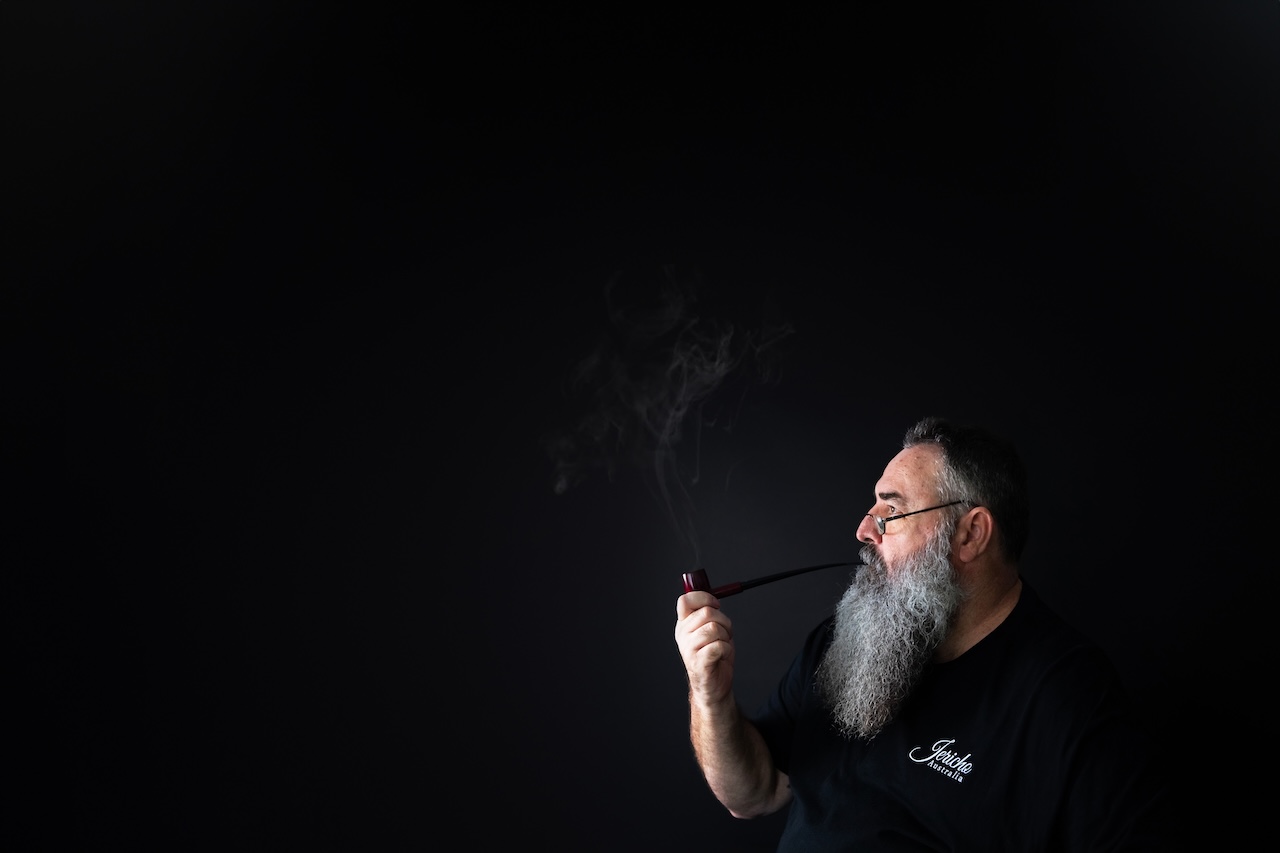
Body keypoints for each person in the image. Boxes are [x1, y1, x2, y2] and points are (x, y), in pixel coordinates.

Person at [674, 416, 1177, 851]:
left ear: (970, 534)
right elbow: (754, 793)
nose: (864, 530)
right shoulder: (843, 642)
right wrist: (710, 695)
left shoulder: (1067, 698)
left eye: (891, 511)